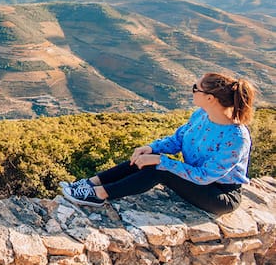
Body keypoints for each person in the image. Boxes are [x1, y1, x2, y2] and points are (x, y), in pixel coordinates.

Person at [61, 72, 256, 215]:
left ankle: (99, 194)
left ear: (210, 98)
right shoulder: (201, 115)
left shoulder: (236, 138)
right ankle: (91, 182)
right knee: (149, 159)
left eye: (195, 88)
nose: (193, 91)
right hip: (197, 182)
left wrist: (161, 160)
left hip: (219, 195)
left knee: (158, 168)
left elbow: (204, 176)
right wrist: (152, 148)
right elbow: (178, 139)